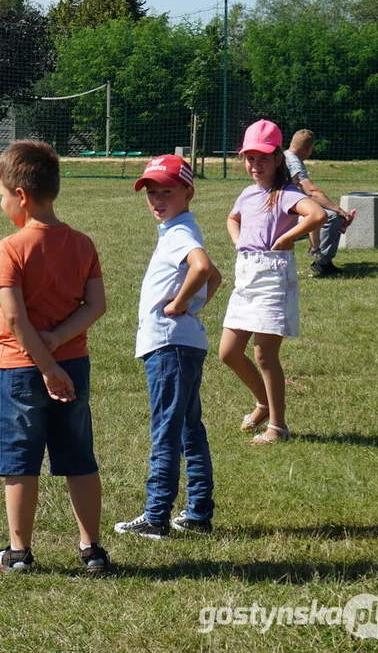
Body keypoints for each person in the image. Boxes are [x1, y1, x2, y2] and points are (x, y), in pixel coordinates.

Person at [0, 140, 111, 574]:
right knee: (79, 456)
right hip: (73, 365)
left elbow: (16, 320)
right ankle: (92, 549)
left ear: (20, 196)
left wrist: (45, 365)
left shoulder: (11, 247)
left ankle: (18, 553)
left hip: (22, 370)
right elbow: (95, 306)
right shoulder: (82, 243)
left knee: (20, 460)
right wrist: (58, 344)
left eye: (1, 195)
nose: (1, 203)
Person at [114, 155, 222, 540]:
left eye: (167, 192)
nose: (157, 200)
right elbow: (216, 276)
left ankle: (156, 515)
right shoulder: (178, 229)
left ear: (188, 193)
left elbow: (204, 267)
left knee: (166, 429)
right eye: (151, 193)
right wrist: (193, 308)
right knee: (189, 429)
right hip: (183, 343)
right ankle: (197, 513)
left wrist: (179, 306)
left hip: (169, 346)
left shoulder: (179, 234)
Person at [219, 120, 326, 444]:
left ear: (278, 158)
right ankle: (263, 402)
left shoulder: (286, 194)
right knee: (228, 352)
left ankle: (278, 426)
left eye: (263, 158)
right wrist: (238, 241)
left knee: (265, 354)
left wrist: (285, 238)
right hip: (246, 275)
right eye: (250, 158)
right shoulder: (248, 194)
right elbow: (232, 218)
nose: (255, 165)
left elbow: (317, 214)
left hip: (273, 277)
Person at [284, 129, 354, 277]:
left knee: (333, 216)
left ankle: (323, 260)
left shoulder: (286, 157)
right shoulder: (294, 162)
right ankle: (321, 261)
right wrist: (340, 210)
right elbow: (311, 192)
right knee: (333, 217)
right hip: (284, 218)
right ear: (308, 148)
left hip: (284, 213)